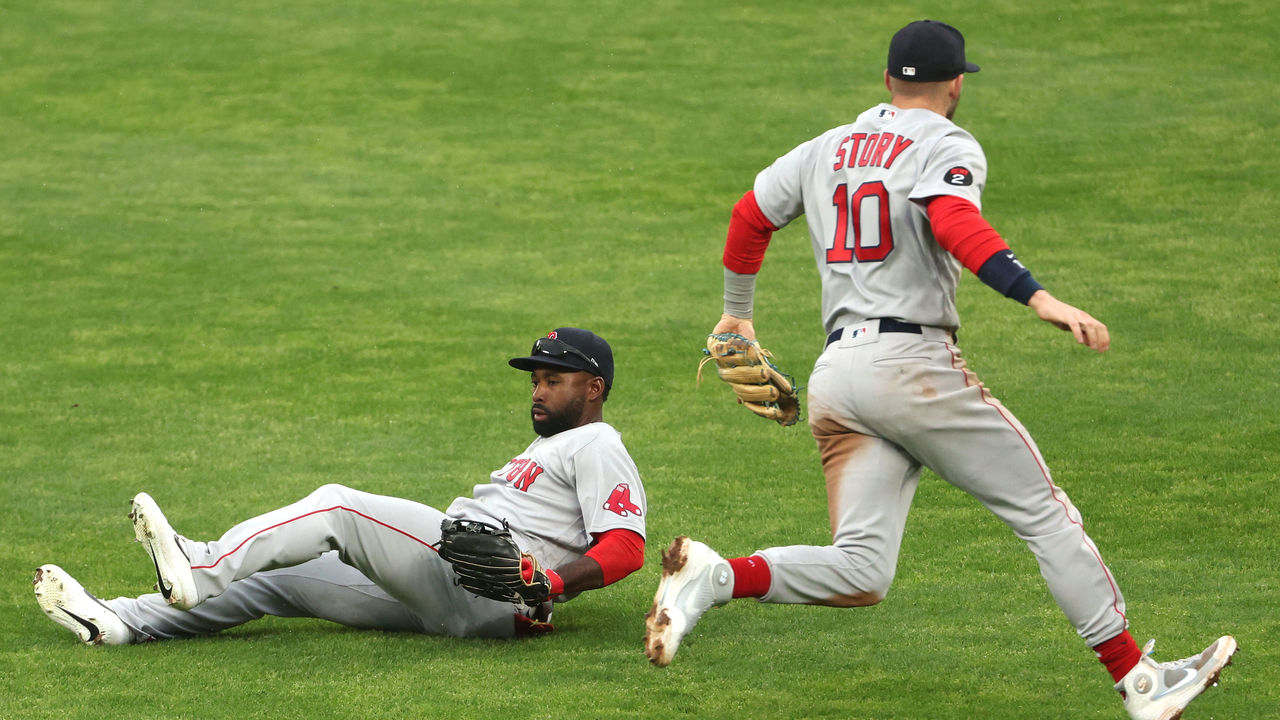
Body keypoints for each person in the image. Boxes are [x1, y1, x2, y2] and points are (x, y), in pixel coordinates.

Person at [642, 20, 1234, 720]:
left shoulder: (825, 147)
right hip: (911, 368)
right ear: (956, 84)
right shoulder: (946, 142)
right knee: (1044, 513)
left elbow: (750, 215)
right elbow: (953, 219)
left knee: (862, 569)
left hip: (841, 375)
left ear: (889, 80)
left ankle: (713, 578)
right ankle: (1141, 683)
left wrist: (736, 315)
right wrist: (1036, 296)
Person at [35, 327, 647, 643]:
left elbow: (627, 546)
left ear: (593, 389)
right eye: (535, 378)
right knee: (279, 580)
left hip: (484, 585)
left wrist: (550, 580)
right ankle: (119, 623)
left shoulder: (597, 442)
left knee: (339, 509)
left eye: (555, 379)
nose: (539, 389)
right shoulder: (551, 446)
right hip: (469, 603)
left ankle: (200, 563)